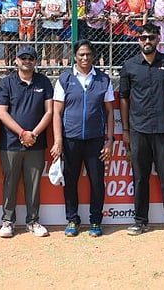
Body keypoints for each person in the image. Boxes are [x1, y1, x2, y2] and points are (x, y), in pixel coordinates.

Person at [119, 24, 164, 237]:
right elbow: (123, 98)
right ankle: (140, 221)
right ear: (138, 40)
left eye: (150, 37)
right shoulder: (129, 65)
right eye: (142, 38)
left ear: (158, 39)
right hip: (138, 130)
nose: (146, 41)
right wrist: (126, 130)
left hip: (163, 129)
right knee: (140, 177)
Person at [51, 40, 115, 238]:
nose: (85, 58)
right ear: (74, 56)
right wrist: (58, 140)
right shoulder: (64, 78)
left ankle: (96, 220)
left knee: (97, 182)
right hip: (70, 140)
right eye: (81, 55)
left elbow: (110, 113)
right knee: (70, 181)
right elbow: (56, 113)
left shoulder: (104, 80)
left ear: (93, 56)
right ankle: (72, 220)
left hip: (96, 140)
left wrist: (110, 140)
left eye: (88, 54)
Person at [0, 46, 54, 238]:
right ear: (16, 60)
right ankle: (7, 221)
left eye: (31, 58)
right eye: (23, 58)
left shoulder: (44, 82)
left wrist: (34, 134)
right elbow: (1, 112)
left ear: (36, 61)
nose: (26, 61)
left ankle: (33, 221)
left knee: (34, 183)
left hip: (36, 142)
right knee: (10, 182)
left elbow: (49, 111)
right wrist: (22, 133)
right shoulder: (6, 83)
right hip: (11, 143)